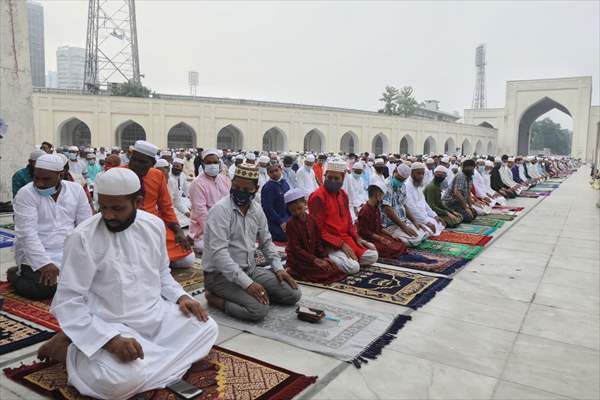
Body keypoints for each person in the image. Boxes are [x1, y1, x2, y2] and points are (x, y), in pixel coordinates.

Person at [37, 168, 217, 400]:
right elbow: (68, 303)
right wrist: (109, 340)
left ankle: (144, 369)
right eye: (103, 207)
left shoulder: (153, 225)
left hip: (154, 316)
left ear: (138, 202)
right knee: (118, 383)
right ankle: (70, 351)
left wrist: (181, 297)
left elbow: (162, 274)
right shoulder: (83, 238)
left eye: (117, 208)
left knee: (207, 327)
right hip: (110, 324)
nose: (109, 215)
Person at [203, 163, 301, 322]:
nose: (240, 193)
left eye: (246, 190)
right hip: (220, 276)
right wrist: (248, 285)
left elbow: (266, 242)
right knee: (258, 310)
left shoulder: (256, 209)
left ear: (255, 189)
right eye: (236, 187)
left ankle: (252, 294)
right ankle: (216, 298)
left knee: (293, 293)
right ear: (232, 184)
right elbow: (219, 255)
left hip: (250, 269)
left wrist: (278, 268)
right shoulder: (220, 210)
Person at [8, 155, 92, 300]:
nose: (39, 183)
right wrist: (44, 263)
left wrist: (84, 256)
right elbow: (27, 235)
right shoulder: (26, 194)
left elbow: (85, 226)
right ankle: (14, 275)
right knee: (42, 288)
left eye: (46, 179)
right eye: (36, 177)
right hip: (37, 253)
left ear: (61, 175)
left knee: (97, 280)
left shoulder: (76, 190)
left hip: (69, 250)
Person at [128, 140, 194, 268]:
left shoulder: (157, 175)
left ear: (152, 164)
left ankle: (154, 262)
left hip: (153, 226)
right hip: (126, 226)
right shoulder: (119, 173)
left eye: (142, 162)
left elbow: (166, 207)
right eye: (134, 159)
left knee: (188, 259)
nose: (136, 165)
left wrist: (179, 231)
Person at [308, 160, 378, 274]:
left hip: (345, 238)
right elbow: (317, 229)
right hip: (328, 242)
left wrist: (357, 238)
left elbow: (348, 221)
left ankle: (346, 257)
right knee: (353, 267)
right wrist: (340, 245)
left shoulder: (343, 195)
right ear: (324, 176)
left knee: (373, 255)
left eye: (336, 179)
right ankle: (329, 256)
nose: (332, 181)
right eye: (329, 178)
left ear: (343, 178)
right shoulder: (318, 197)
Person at [284, 189, 347, 283]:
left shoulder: (312, 220)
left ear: (305, 204)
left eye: (299, 208)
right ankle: (294, 271)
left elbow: (318, 241)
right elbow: (296, 249)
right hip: (299, 259)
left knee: (333, 267)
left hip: (312, 255)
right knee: (322, 272)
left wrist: (323, 256)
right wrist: (314, 260)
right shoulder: (291, 224)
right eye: (293, 211)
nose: (297, 212)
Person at [188, 149, 232, 251]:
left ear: (219, 164)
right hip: (204, 229)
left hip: (225, 224)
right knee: (214, 247)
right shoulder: (197, 183)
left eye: (215, 162)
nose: (212, 165)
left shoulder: (225, 180)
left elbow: (231, 204)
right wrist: (217, 231)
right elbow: (201, 213)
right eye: (209, 163)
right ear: (203, 165)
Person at [381, 164, 430, 246]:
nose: (400, 182)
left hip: (402, 222)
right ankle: (389, 235)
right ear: (395, 171)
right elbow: (387, 209)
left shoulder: (402, 185)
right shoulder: (387, 185)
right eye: (398, 179)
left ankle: (402, 235)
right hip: (390, 225)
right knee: (415, 240)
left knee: (426, 233)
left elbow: (404, 205)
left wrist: (414, 222)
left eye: (402, 180)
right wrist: (404, 227)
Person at [357, 182, 407, 258]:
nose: (383, 198)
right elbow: (363, 231)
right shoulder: (365, 211)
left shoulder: (376, 208)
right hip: (368, 239)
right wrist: (380, 238)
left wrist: (390, 235)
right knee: (389, 248)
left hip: (377, 236)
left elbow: (379, 227)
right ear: (377, 195)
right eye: (382, 195)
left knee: (399, 242)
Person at [404, 162, 445, 236]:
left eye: (423, 173)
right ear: (412, 173)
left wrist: (435, 216)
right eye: (419, 173)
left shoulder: (418, 185)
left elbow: (424, 203)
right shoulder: (407, 186)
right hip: (414, 219)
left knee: (440, 224)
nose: (421, 176)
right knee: (427, 232)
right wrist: (426, 222)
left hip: (424, 216)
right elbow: (411, 208)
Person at [261, 163, 290, 242]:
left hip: (287, 219)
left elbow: (290, 204)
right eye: (271, 172)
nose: (274, 173)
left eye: (276, 170)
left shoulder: (285, 184)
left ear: (281, 170)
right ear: (268, 174)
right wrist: (281, 222)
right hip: (274, 222)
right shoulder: (268, 187)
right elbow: (268, 208)